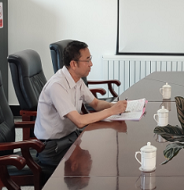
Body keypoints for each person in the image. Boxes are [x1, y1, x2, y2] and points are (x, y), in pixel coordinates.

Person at [34, 40, 128, 178]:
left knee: (103, 149)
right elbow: (78, 121)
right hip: (53, 148)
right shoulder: (57, 85)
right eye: (87, 60)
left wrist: (116, 106)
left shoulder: (76, 79)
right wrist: (111, 111)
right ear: (73, 64)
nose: (91, 64)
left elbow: (95, 103)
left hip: (70, 137)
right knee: (99, 160)